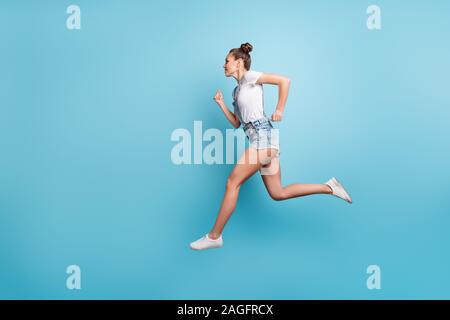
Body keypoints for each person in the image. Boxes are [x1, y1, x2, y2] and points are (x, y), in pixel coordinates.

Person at [190, 42, 352, 250]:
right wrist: (221, 104)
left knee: (232, 182)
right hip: (259, 137)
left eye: (227, 61)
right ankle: (330, 187)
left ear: (239, 62)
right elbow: (237, 123)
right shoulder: (236, 92)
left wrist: (279, 109)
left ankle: (214, 236)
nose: (224, 65)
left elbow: (284, 81)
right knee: (278, 193)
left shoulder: (250, 77)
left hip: (263, 136)